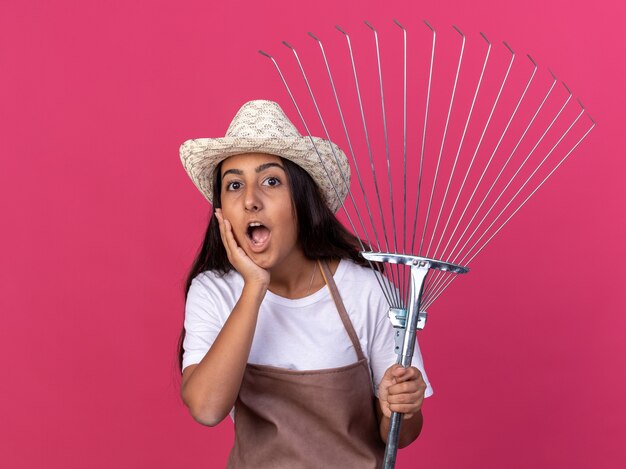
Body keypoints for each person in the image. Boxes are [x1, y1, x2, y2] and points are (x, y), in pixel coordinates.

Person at [178, 100, 433, 468]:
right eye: (234, 184)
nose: (250, 200)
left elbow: (397, 434)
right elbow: (206, 408)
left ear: (302, 198)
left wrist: (404, 409)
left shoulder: (367, 290)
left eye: (271, 181)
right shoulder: (214, 291)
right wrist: (254, 287)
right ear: (221, 211)